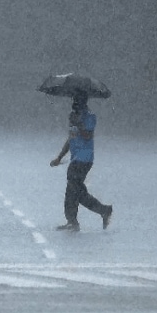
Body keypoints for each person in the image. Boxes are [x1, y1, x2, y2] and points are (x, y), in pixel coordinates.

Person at [50, 93, 112, 231]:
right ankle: (76, 219)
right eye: (73, 100)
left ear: (83, 102)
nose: (74, 103)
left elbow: (88, 135)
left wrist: (78, 123)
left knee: (74, 190)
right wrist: (59, 157)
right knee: (73, 190)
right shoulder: (73, 116)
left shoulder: (89, 116)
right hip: (75, 158)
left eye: (77, 100)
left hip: (84, 159)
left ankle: (93, 213)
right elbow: (71, 138)